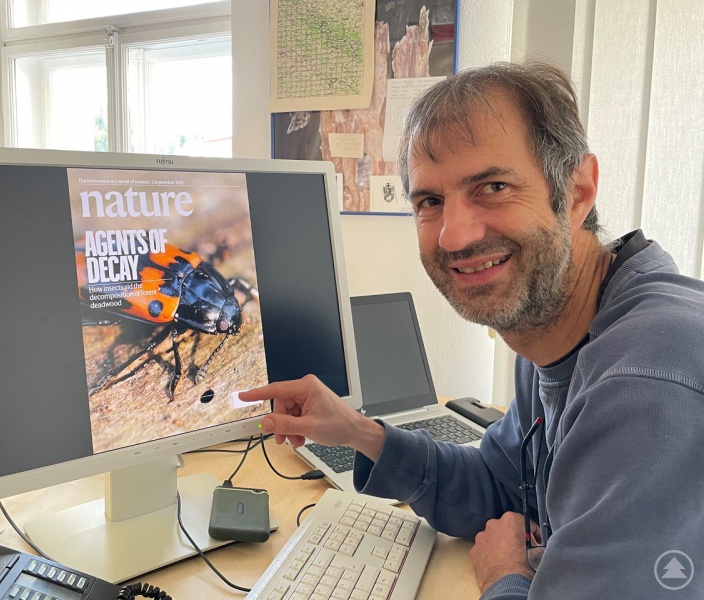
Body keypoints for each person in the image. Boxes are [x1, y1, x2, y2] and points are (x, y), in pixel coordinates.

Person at [240, 61, 704, 599]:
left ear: (576, 192)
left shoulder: (650, 376)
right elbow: (497, 485)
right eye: (430, 202)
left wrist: (503, 576)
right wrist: (359, 432)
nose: (454, 236)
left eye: (493, 186)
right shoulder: (551, 330)